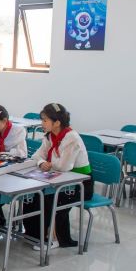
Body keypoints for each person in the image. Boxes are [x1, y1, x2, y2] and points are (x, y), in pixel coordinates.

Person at [22, 103, 93, 249]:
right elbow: (36, 156)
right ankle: (34, 234)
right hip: (59, 179)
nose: (42, 123)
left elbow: (64, 166)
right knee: (33, 194)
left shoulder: (71, 137)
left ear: (57, 123)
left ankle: (54, 238)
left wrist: (48, 163)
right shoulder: (50, 136)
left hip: (80, 184)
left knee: (49, 198)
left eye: (45, 120)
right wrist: (42, 162)